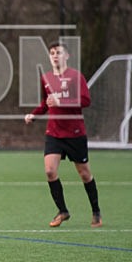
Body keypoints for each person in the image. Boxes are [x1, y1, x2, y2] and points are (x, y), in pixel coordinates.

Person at [25, 41, 102, 228]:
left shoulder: (76, 77)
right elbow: (47, 103)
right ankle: (63, 211)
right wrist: (34, 114)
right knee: (50, 171)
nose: (55, 56)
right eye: (52, 53)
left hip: (75, 133)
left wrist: (63, 100)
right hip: (54, 133)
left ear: (67, 56)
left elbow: (85, 100)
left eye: (58, 52)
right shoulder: (46, 78)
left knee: (84, 174)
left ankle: (96, 211)